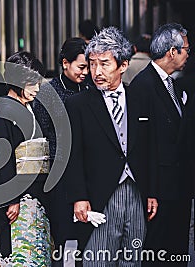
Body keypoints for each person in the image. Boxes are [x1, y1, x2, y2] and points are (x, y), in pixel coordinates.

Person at [64, 27, 158, 266]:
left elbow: (149, 148)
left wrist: (152, 192)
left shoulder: (140, 99)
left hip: (137, 191)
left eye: (104, 64)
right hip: (100, 194)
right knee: (97, 259)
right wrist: (79, 197)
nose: (97, 72)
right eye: (92, 64)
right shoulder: (78, 104)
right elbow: (71, 154)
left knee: (133, 258)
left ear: (123, 66)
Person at [129, 23, 192, 267]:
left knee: (178, 250)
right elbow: (141, 145)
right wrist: (149, 191)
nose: (188, 54)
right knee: (158, 252)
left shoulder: (174, 85)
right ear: (172, 51)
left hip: (178, 186)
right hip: (159, 190)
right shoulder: (143, 86)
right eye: (186, 49)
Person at [0, 51, 52, 266]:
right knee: (19, 253)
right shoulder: (3, 110)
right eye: (31, 83)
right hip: (16, 196)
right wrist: (10, 198)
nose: (36, 89)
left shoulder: (30, 107)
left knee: (37, 253)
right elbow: (1, 158)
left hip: (36, 191)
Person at [33, 37, 88, 266]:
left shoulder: (91, 88)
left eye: (90, 67)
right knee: (61, 236)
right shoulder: (48, 93)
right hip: (59, 174)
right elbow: (42, 133)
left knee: (87, 238)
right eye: (82, 66)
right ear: (65, 63)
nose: (86, 72)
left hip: (87, 171)